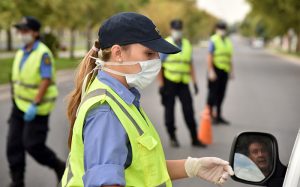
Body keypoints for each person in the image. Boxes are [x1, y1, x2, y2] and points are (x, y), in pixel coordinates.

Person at [61, 12, 234, 187]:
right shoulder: (106, 111)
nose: (156, 61)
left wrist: (193, 167)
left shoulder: (122, 98)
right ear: (118, 53)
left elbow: (142, 170)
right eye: (149, 53)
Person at [6, 16, 65, 187]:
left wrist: (35, 103)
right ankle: (17, 182)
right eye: (20, 30)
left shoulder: (43, 53)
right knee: (13, 146)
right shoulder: (21, 51)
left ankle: (58, 166)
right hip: (18, 106)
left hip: (36, 108)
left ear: (35, 33)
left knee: (33, 145)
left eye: (25, 31)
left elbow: (45, 79)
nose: (22, 34)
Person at [158, 19, 204, 147]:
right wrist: (161, 85)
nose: (177, 32)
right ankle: (172, 137)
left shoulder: (187, 44)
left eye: (179, 29)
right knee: (169, 111)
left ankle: (194, 139)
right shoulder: (166, 44)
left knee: (189, 111)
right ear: (171, 30)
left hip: (184, 83)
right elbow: (159, 66)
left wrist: (195, 83)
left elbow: (190, 64)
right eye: (175, 29)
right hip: (169, 82)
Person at [206, 21, 233, 125]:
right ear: (216, 29)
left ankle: (218, 115)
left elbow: (229, 57)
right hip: (215, 70)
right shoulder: (214, 40)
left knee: (221, 94)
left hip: (224, 71)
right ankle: (209, 115)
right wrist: (211, 71)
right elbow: (209, 56)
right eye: (220, 28)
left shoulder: (228, 41)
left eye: (224, 28)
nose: (222, 30)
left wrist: (231, 71)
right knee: (212, 94)